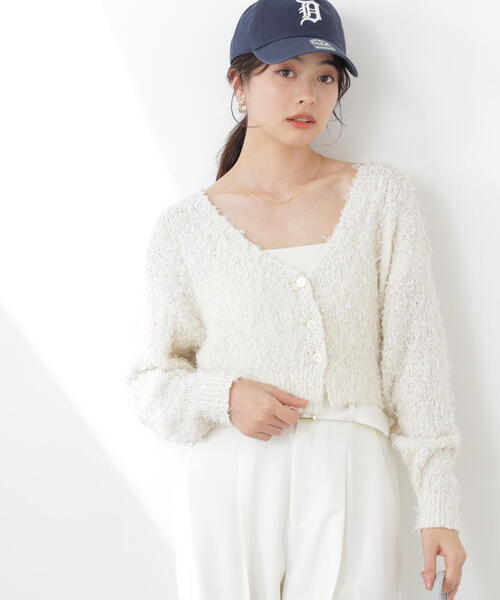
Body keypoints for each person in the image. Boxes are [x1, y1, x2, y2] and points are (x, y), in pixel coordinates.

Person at [125, 1, 467, 598]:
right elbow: (151, 382)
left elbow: (416, 358)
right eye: (285, 71)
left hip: (351, 467)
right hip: (232, 475)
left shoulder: (381, 196)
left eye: (325, 76)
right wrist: (224, 395)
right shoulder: (184, 229)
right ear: (239, 82)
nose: (307, 94)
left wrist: (438, 504)